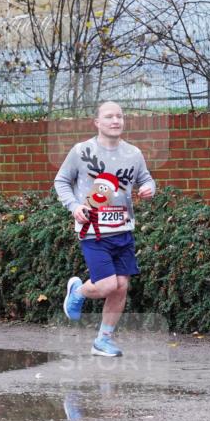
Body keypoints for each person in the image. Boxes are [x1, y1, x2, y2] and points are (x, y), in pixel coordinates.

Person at [54, 101, 156, 356]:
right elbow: (62, 181)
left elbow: (146, 179)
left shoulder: (133, 153)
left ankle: (103, 340)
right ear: (97, 122)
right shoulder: (81, 151)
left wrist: (149, 189)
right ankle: (77, 291)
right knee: (108, 285)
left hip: (123, 230)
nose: (115, 121)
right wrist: (74, 206)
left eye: (119, 116)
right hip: (93, 231)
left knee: (121, 286)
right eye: (109, 117)